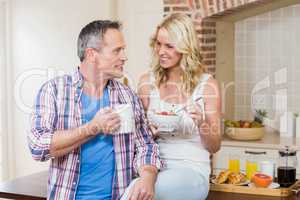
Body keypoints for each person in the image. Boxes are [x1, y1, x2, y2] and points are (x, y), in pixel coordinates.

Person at [28, 20, 162, 200]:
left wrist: (147, 178)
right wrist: (93, 127)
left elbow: (146, 145)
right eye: (117, 50)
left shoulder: (127, 95)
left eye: (124, 49)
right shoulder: (54, 91)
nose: (124, 57)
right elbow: (38, 146)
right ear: (91, 54)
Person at [137, 13, 222, 200]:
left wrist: (202, 122)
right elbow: (138, 137)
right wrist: (148, 133)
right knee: (136, 185)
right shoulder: (146, 82)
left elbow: (215, 146)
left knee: (146, 190)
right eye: (158, 44)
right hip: (153, 166)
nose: (160, 51)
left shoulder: (207, 85)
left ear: (185, 47)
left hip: (191, 171)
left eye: (169, 46)